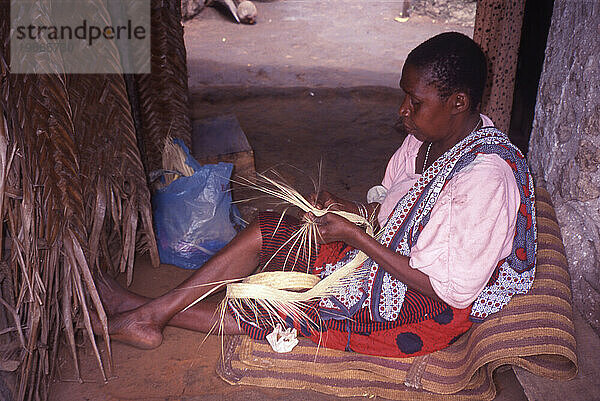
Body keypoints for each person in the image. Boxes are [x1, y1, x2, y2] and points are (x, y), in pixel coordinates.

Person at [96, 32, 536, 357]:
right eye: (404, 96)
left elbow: (446, 292)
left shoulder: (485, 181)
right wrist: (355, 212)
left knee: (285, 308)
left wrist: (354, 236)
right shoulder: (428, 139)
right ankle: (148, 313)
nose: (403, 111)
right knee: (266, 230)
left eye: (414, 101)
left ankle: (142, 312)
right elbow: (399, 205)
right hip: (385, 256)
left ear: (458, 103)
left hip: (421, 307)